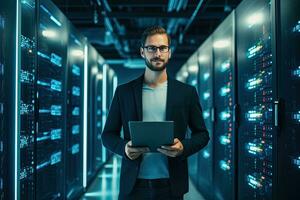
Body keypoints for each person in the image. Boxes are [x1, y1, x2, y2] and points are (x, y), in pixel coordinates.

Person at [101, 25, 209, 200]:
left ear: (169, 52)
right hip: (133, 186)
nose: (157, 53)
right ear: (143, 52)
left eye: (162, 48)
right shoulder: (124, 92)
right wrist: (124, 148)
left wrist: (183, 148)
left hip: (172, 186)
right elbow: (107, 135)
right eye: (151, 48)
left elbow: (202, 134)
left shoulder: (186, 92)